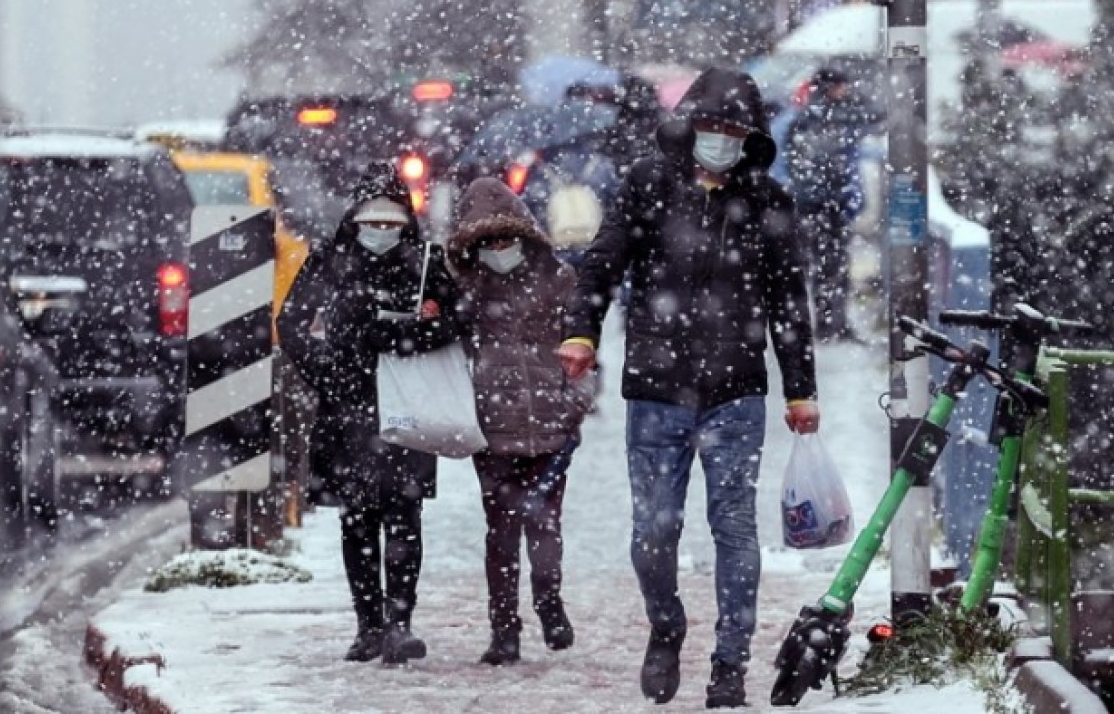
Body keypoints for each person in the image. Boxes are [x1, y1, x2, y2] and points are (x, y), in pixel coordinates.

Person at [559, 67, 821, 709]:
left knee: (733, 526)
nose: (721, 140)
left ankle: (730, 663)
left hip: (737, 391)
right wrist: (581, 334)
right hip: (655, 389)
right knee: (652, 534)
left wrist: (800, 389)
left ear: (750, 136)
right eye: (712, 127)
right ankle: (666, 624)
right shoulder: (648, 185)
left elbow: (789, 302)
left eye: (734, 130)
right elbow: (604, 260)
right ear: (691, 126)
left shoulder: (768, 203)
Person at [279, 164, 460, 665]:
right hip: (346, 409)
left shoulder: (426, 263)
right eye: (372, 221)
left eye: (391, 222)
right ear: (354, 219)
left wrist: (407, 336)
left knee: (404, 516)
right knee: (357, 519)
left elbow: (457, 319)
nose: (381, 232)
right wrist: (325, 367)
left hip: (408, 405)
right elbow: (291, 321)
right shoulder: (329, 261)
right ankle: (368, 625)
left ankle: (399, 623)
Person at [447, 177, 594, 666]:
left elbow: (584, 347)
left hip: (551, 426)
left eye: (505, 239)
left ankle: (549, 602)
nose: (498, 249)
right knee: (501, 531)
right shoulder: (463, 288)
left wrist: (572, 406)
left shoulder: (558, 278)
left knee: (545, 524)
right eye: (486, 242)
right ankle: (503, 628)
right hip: (492, 430)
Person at [783, 66, 881, 340]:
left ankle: (830, 323)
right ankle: (832, 324)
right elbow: (831, 160)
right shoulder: (825, 118)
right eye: (841, 86)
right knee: (831, 266)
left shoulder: (806, 118)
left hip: (818, 204)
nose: (845, 91)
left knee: (825, 265)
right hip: (825, 205)